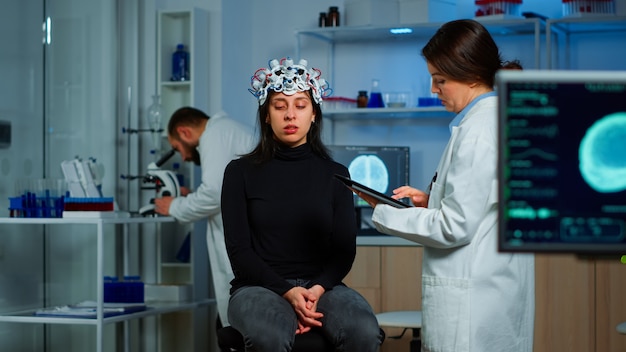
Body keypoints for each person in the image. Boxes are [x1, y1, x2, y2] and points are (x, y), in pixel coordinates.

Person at [355, 20, 535, 352]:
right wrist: (433, 199)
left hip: (472, 302)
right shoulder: (498, 119)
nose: (433, 90)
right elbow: (482, 205)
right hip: (492, 290)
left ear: (470, 75)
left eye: (440, 80)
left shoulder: (478, 130)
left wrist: (383, 212)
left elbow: (455, 226)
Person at [221, 57, 383, 352]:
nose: (290, 115)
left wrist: (315, 289)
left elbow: (344, 250)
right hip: (258, 287)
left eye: (300, 105)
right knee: (269, 336)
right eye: (280, 106)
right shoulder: (239, 173)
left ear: (314, 115)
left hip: (323, 287)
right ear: (266, 115)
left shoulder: (336, 175)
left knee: (364, 331)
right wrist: (287, 291)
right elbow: (239, 252)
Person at [154, 106, 255, 328]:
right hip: (251, 242)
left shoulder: (215, 135)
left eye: (177, 148)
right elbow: (228, 190)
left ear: (184, 132)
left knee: (236, 327)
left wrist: (174, 206)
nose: (183, 156)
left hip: (248, 248)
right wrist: (192, 195)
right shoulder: (227, 130)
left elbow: (214, 193)